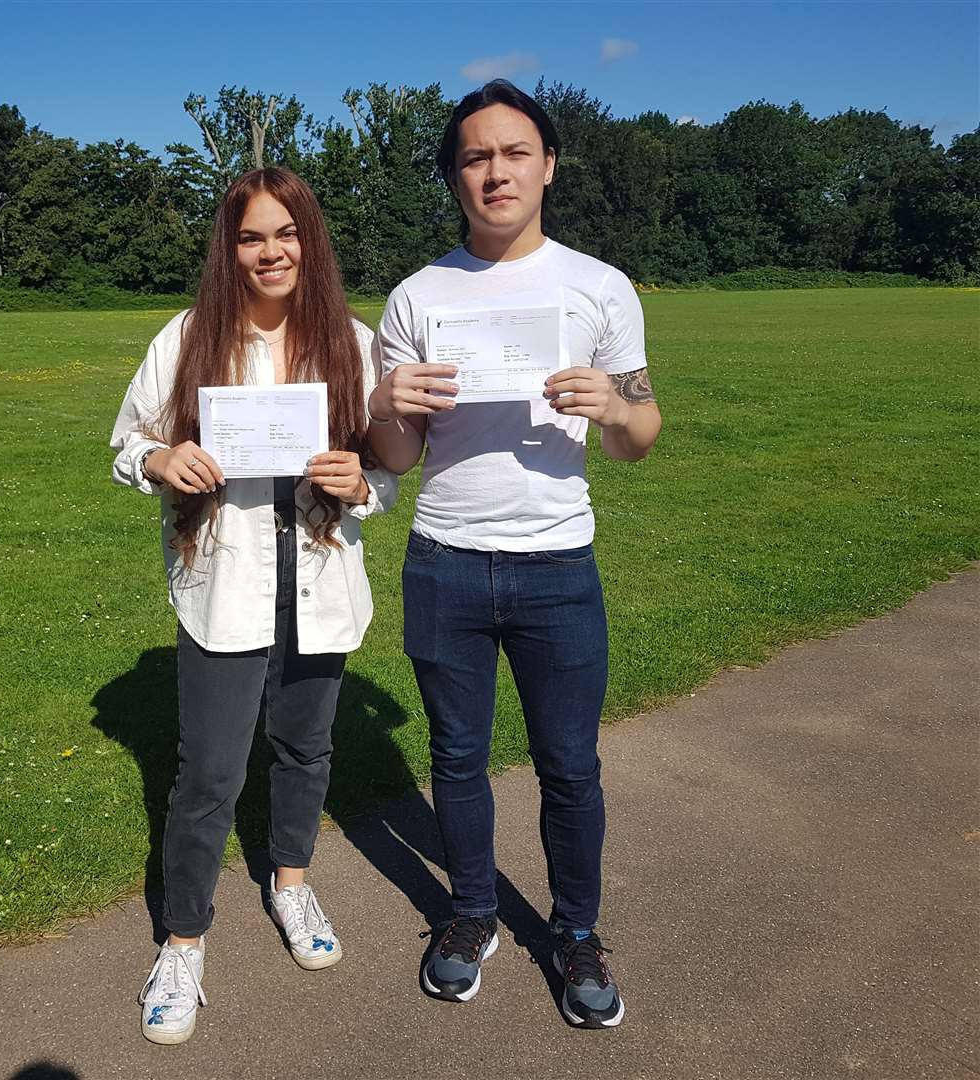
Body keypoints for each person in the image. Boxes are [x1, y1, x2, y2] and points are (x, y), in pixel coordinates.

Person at [367, 79, 662, 1027]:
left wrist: (614, 407)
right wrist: (392, 408)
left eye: (514, 152)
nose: (496, 171)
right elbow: (397, 461)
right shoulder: (417, 297)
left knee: (570, 766)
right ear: (455, 175)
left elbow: (640, 433)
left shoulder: (599, 287)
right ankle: (473, 914)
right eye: (475, 157)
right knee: (456, 761)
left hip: (557, 567)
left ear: (548, 165)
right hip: (445, 558)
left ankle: (576, 932)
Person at [110, 167, 395, 1045]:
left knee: (306, 748)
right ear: (228, 249)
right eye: (249, 237)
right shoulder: (191, 338)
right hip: (223, 585)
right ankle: (183, 940)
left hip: (316, 579)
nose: (270, 251)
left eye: (285, 233)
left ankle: (291, 883)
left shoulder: (352, 341)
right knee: (209, 776)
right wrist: (162, 462)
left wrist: (364, 484)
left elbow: (385, 465)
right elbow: (128, 441)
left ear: (309, 241)